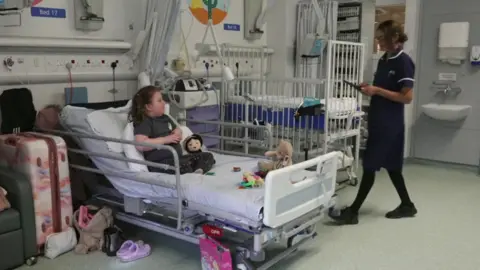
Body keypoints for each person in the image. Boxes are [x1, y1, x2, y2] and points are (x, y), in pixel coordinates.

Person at [329, 20, 417, 225]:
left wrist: (377, 91)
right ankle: (407, 205)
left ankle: (353, 212)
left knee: (369, 165)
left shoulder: (404, 62)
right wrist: (368, 88)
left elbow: (407, 97)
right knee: (393, 167)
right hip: (379, 119)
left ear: (394, 38)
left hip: (390, 123)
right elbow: (383, 89)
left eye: (380, 37)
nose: (377, 41)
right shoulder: (384, 59)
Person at [129, 85, 216, 174]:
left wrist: (178, 132)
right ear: (149, 107)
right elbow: (140, 144)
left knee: (207, 156)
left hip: (177, 159)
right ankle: (192, 169)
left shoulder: (165, 118)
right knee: (184, 165)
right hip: (160, 163)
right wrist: (165, 140)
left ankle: (197, 169)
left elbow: (177, 129)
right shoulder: (145, 122)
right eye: (159, 101)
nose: (164, 103)